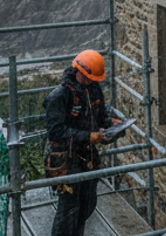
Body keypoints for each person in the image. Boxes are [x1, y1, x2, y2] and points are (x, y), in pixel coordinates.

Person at [44, 49, 117, 236]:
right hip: (65, 158)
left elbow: (100, 116)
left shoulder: (93, 90)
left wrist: (111, 125)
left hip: (88, 156)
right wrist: (90, 136)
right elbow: (56, 132)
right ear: (78, 71)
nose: (90, 81)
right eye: (87, 77)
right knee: (68, 210)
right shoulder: (59, 96)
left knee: (87, 204)